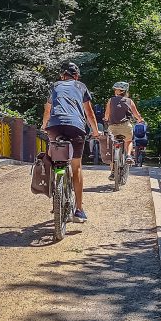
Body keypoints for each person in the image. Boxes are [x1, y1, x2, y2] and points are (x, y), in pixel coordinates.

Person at [42, 61, 100, 223]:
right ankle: (79, 210)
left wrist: (44, 126)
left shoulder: (54, 86)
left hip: (55, 127)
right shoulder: (81, 86)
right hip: (75, 127)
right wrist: (95, 132)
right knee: (76, 166)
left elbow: (47, 110)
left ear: (62, 75)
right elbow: (89, 113)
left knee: (54, 159)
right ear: (76, 76)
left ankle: (56, 193)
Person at [104, 81, 144, 170]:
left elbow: (107, 114)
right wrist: (140, 120)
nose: (114, 91)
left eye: (115, 89)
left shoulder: (111, 100)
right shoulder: (129, 101)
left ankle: (112, 171)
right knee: (128, 141)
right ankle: (129, 156)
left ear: (119, 91)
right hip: (125, 126)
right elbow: (136, 114)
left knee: (112, 146)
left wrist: (106, 119)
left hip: (113, 127)